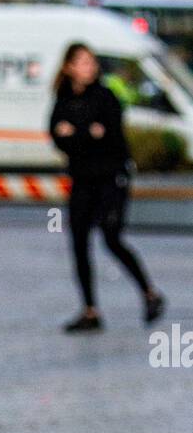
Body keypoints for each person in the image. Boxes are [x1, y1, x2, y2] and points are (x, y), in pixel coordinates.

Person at [49, 42, 165, 333]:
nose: (89, 67)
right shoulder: (63, 98)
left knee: (112, 237)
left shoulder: (105, 96)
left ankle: (150, 293)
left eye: (91, 62)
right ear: (69, 67)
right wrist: (85, 134)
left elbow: (107, 135)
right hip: (82, 179)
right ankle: (90, 310)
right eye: (82, 62)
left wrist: (78, 133)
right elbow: (58, 135)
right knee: (78, 243)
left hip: (111, 178)